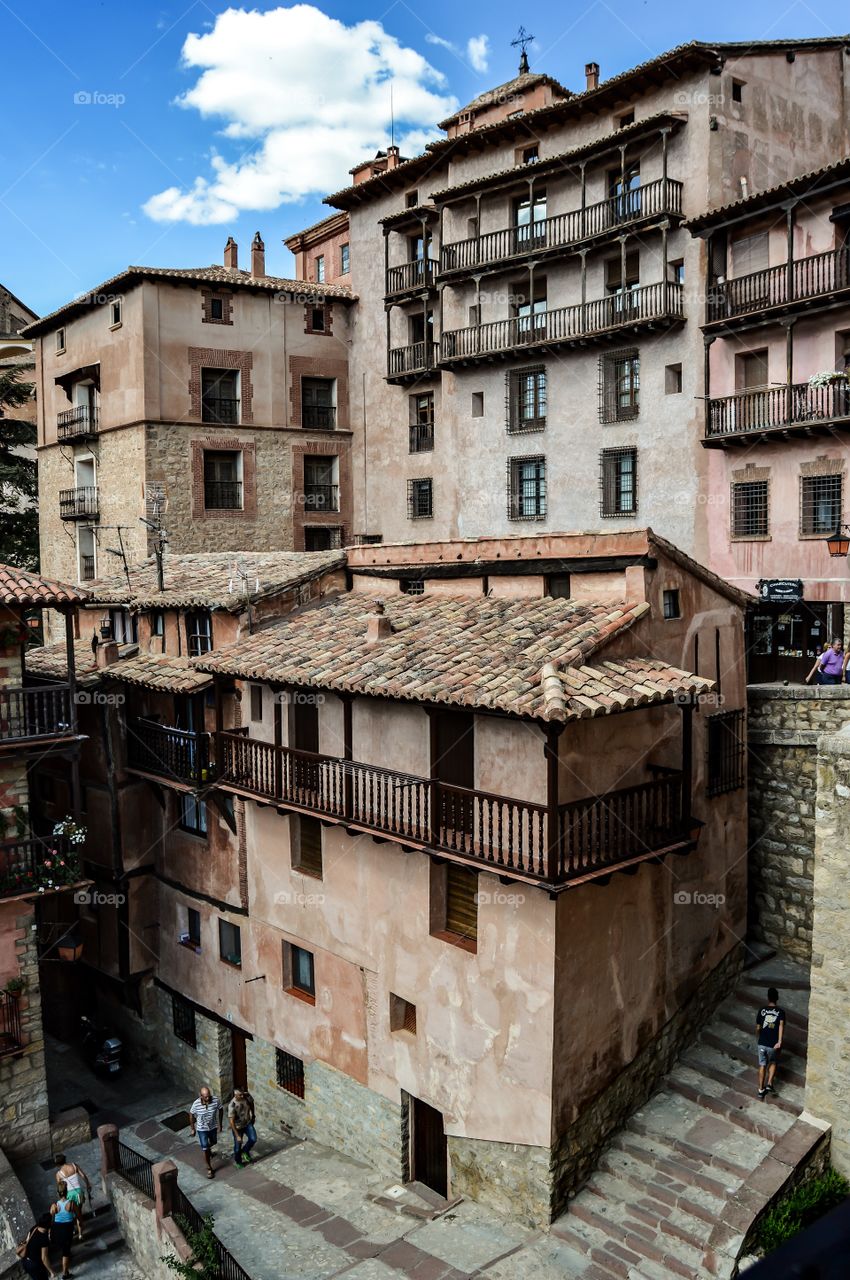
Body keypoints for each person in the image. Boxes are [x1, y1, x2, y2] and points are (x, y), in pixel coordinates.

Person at [756, 986, 786, 1099]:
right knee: (773, 1062)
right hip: (773, 1044)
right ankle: (769, 1084)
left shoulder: (762, 1010)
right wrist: (779, 1041)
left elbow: (758, 1028)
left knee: (762, 1064)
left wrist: (759, 1036)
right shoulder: (781, 1012)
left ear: (768, 998)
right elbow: (781, 1026)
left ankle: (760, 1090)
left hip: (762, 1043)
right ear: (777, 998)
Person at [189, 1085, 222, 1178]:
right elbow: (191, 1115)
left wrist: (220, 1124)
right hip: (202, 1129)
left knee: (214, 1142)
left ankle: (208, 1150)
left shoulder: (216, 1100)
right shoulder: (196, 1104)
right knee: (205, 1148)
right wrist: (192, 1128)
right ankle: (209, 1168)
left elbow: (221, 1109)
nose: (208, 1098)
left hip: (213, 1127)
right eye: (205, 1096)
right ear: (201, 1096)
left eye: (209, 1095)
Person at [50, 1182, 81, 1279]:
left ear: (58, 1193)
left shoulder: (54, 1205)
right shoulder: (71, 1204)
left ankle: (66, 1261)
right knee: (65, 1252)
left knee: (64, 1249)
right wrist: (81, 1226)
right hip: (67, 1230)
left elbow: (52, 1217)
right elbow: (79, 1216)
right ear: (67, 1192)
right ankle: (65, 1274)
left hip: (57, 1230)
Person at [55, 1161, 90, 1235]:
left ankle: (73, 1230)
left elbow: (60, 1187)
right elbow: (83, 1176)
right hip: (78, 1193)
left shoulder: (58, 1174)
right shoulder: (74, 1165)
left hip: (68, 1195)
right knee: (79, 1213)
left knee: (70, 1213)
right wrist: (88, 1184)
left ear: (57, 1164)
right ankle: (80, 1234)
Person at [227, 1087, 257, 1166]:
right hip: (238, 1127)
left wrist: (253, 1115)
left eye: (242, 1094)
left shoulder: (246, 1096)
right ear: (235, 1095)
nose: (242, 1096)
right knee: (237, 1148)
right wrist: (237, 1135)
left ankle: (245, 1151)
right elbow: (231, 1122)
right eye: (240, 1095)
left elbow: (251, 1103)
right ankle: (238, 1162)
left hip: (247, 1123)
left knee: (253, 1139)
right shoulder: (232, 1105)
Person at [19, 1214, 54, 1280]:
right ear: (48, 1224)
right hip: (35, 1264)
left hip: (26, 1261)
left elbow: (27, 1241)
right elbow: (44, 1258)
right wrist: (51, 1272)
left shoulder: (34, 1228)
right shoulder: (43, 1238)